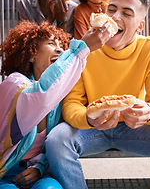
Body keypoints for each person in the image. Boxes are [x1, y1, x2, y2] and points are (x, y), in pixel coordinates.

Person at [45, 0, 150, 189]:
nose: (115, 17)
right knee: (56, 140)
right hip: (90, 128)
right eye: (111, 10)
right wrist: (88, 118)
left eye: (126, 13)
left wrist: (149, 112)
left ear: (140, 25)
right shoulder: (84, 48)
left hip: (135, 128)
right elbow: (71, 103)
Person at [0, 20, 113, 188]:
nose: (60, 49)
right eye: (51, 43)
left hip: (39, 173)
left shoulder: (62, 97)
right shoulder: (14, 83)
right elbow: (41, 95)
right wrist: (81, 49)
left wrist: (39, 167)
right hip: (4, 172)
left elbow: (52, 145)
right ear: (31, 53)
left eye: (62, 46)